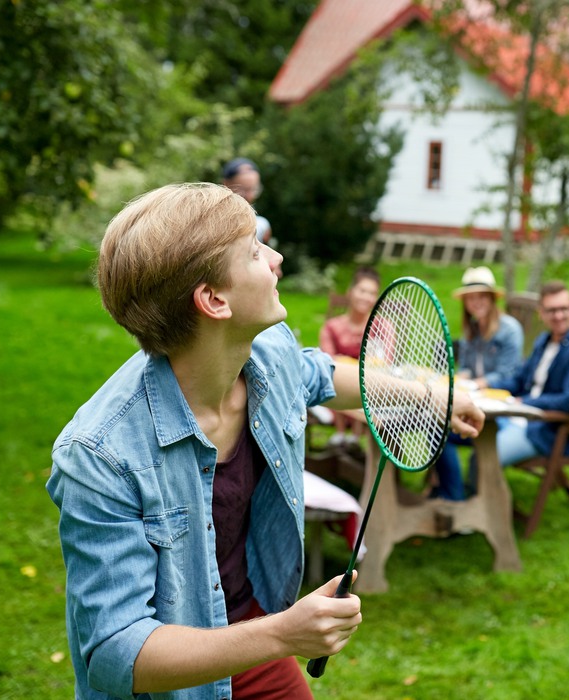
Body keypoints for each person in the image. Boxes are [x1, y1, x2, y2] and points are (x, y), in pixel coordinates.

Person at [46, 183, 483, 700]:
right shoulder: (100, 455)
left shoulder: (266, 350)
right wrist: (282, 634)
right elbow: (115, 653)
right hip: (173, 678)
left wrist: (423, 396)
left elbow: (314, 374)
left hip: (246, 629)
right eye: (254, 251)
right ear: (213, 300)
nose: (275, 259)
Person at [481, 281, 569, 469]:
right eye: (552, 310)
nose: (559, 316)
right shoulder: (544, 341)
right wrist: (486, 388)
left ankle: (479, 498)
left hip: (549, 430)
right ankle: (448, 493)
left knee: (484, 458)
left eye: (564, 309)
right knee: (463, 433)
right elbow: (519, 380)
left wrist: (525, 403)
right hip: (520, 417)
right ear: (541, 313)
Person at [429, 267, 524, 500]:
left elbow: (509, 376)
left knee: (442, 427)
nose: (476, 302)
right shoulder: (471, 329)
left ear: (492, 299)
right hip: (476, 402)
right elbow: (468, 369)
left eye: (481, 297)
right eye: (471, 298)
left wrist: (477, 382)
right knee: (435, 429)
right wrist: (461, 377)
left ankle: (458, 497)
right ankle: (453, 494)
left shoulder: (509, 329)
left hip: (503, 411)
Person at [317, 267, 381, 444]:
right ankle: (342, 434)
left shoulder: (383, 327)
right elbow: (327, 362)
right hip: (335, 396)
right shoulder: (332, 327)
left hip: (372, 396)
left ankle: (353, 437)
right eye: (362, 291)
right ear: (350, 292)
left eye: (372, 293)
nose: (366, 297)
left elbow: (384, 362)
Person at [222, 157, 273, 247]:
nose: (250, 196)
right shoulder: (217, 221)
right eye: (242, 190)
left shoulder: (262, 225)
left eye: (254, 189)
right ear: (226, 185)